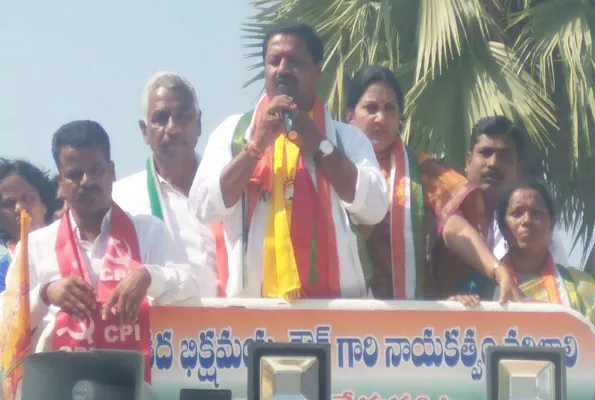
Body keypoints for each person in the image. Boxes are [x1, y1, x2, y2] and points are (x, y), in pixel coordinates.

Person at [189, 22, 388, 299]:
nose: (282, 69)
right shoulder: (233, 133)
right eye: (274, 61)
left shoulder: (347, 138)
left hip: (338, 314)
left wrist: (320, 145)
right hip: (255, 317)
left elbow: (376, 208)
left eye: (293, 61)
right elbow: (203, 207)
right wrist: (255, 147)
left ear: (318, 69)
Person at [0, 120, 199, 370]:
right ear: (60, 182)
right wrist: (45, 293)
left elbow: (191, 286)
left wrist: (149, 276)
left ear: (112, 171)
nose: (87, 181)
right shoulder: (36, 246)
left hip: (135, 381)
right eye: (74, 174)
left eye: (96, 170)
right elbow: (6, 319)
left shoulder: (148, 231)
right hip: (58, 384)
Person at [344, 65, 521, 301]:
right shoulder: (330, 160)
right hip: (339, 310)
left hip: (409, 317)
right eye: (371, 108)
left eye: (390, 109)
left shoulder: (420, 170)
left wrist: (498, 271)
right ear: (350, 116)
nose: (381, 118)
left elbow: (454, 225)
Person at [449, 177, 595, 343]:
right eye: (517, 213)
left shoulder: (578, 286)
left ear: (552, 224)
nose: (527, 220)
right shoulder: (479, 284)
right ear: (503, 227)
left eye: (536, 213)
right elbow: (451, 331)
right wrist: (458, 305)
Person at [113, 72, 219, 298]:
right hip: (159, 330)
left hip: (237, 329)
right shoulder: (120, 198)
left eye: (183, 117)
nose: (173, 128)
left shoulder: (225, 187)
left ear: (198, 124)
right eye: (161, 118)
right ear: (144, 131)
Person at [459, 116, 568, 293]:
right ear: (468, 161)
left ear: (519, 169)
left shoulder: (538, 230)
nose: (493, 163)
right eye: (486, 153)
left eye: (505, 156)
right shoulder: (445, 213)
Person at [0, 159, 62, 293]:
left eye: (27, 198)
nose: (20, 208)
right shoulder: (2, 273)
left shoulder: (73, 247)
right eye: (8, 204)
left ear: (44, 204)